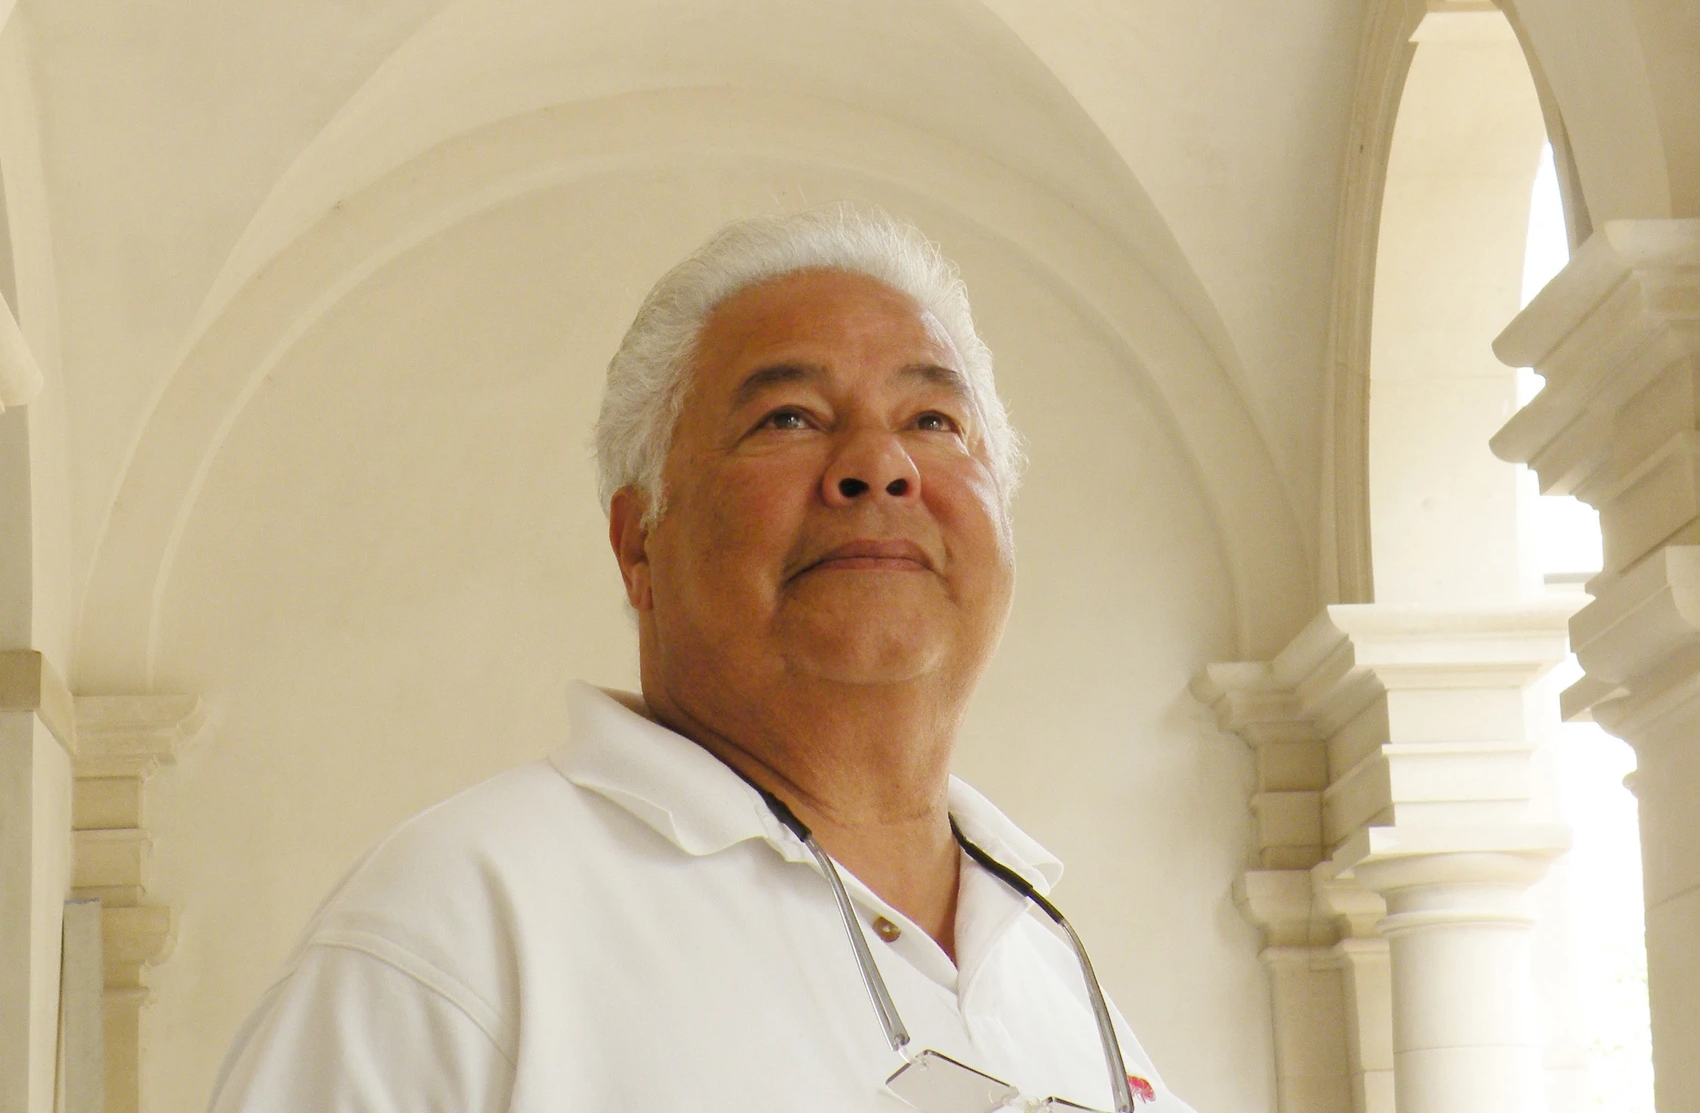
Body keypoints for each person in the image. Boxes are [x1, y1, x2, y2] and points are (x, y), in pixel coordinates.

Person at [208, 207, 1196, 1113]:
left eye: (932, 421)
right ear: (638, 542)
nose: (878, 464)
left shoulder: (1060, 980)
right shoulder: (462, 920)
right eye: (789, 418)